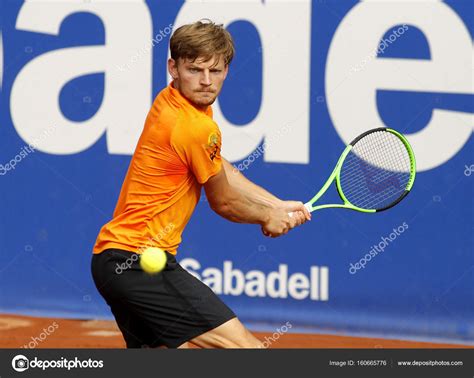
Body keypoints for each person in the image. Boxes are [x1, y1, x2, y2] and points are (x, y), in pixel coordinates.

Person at [91, 19, 311, 349]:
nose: (206, 81)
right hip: (140, 264)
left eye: (216, 71)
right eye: (195, 70)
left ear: (226, 71)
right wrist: (266, 218)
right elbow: (223, 201)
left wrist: (275, 204)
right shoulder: (194, 127)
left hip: (111, 261)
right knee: (247, 351)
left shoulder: (173, 102)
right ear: (173, 68)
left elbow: (218, 166)